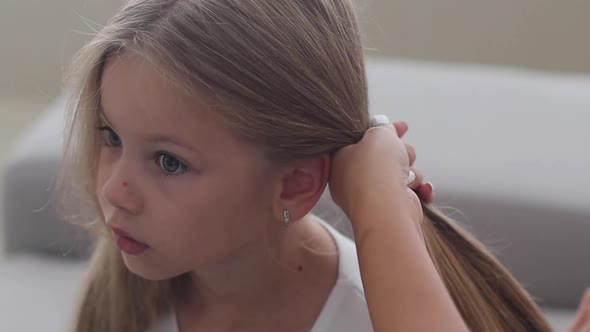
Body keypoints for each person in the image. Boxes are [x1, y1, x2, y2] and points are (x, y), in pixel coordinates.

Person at [57, 0, 580, 331]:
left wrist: (379, 197)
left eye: (169, 162)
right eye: (112, 136)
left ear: (296, 183)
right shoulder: (134, 297)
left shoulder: (367, 315)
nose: (115, 191)